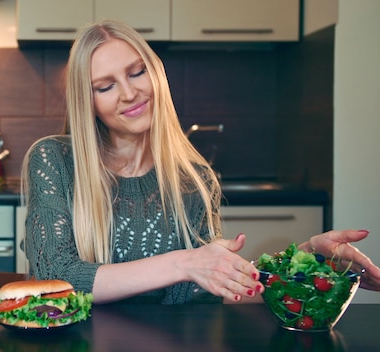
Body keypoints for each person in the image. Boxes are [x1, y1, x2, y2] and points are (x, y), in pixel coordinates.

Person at [20, 19, 380, 305]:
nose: (130, 93)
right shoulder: (54, 160)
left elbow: (205, 291)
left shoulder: (194, 178)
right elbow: (55, 277)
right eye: (105, 86)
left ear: (155, 73)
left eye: (136, 72)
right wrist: (183, 263)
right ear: (89, 102)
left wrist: (304, 259)